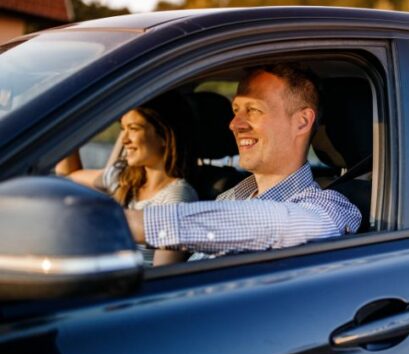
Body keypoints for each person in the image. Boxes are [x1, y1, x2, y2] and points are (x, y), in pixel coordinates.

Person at [125, 63, 361, 262]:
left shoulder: (329, 207)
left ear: (301, 122)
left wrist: (129, 223)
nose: (234, 124)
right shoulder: (229, 198)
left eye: (253, 110)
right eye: (236, 110)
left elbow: (284, 223)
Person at [56, 92, 199, 265]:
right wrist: (66, 125)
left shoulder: (177, 198)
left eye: (133, 129)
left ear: (164, 136)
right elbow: (68, 175)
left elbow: (162, 273)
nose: (124, 140)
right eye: (123, 129)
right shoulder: (125, 179)